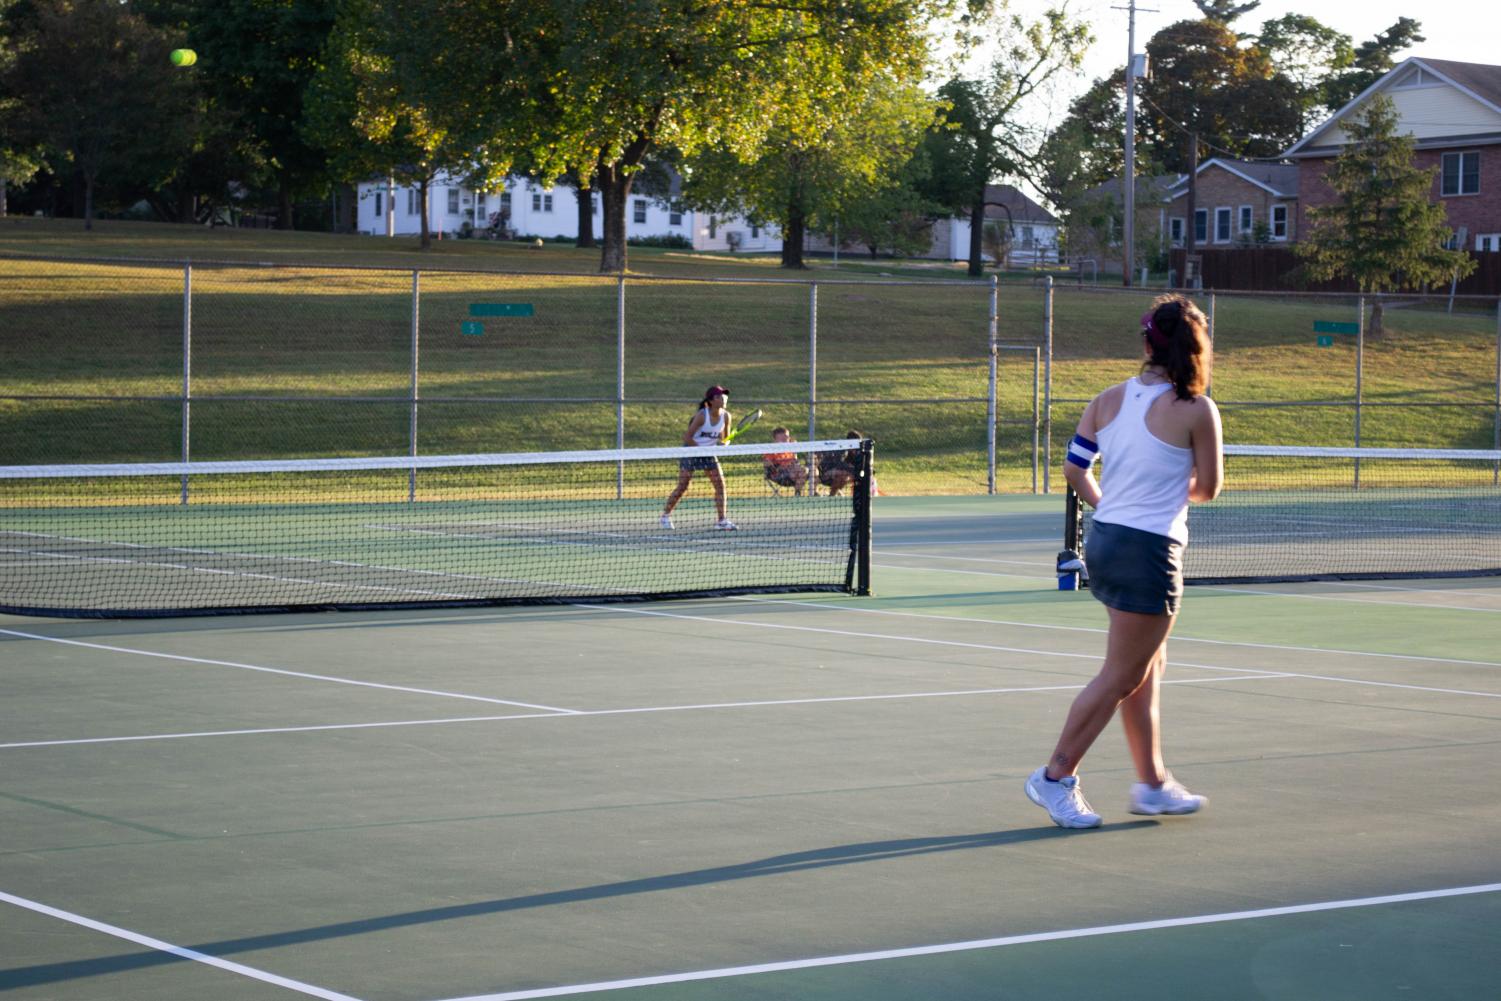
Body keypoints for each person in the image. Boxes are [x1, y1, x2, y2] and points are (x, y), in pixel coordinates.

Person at [1024, 294, 1223, 829]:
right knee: (1121, 674)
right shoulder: (1197, 409)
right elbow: (1208, 487)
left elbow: (1074, 469)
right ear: (1196, 349)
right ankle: (1055, 776)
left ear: (1147, 344)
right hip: (1148, 549)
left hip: (1106, 538)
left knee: (1145, 666)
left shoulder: (1107, 399)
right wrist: (1154, 489)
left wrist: (1112, 501)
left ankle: (1153, 783)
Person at [661, 385, 737, 530]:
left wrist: (725, 444)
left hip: (709, 454)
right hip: (691, 451)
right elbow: (687, 437)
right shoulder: (702, 416)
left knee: (720, 485)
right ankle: (665, 515)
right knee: (683, 486)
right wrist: (700, 450)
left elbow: (725, 438)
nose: (723, 398)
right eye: (719, 396)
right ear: (711, 400)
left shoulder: (726, 416)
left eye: (724, 396)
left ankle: (722, 521)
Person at [762, 427, 809, 495]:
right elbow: (767, 464)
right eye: (782, 439)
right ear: (775, 439)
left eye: (787, 437)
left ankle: (797, 493)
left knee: (807, 470)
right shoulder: (770, 450)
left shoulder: (790, 447)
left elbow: (795, 462)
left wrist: (795, 451)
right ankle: (798, 491)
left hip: (794, 473)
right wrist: (778, 468)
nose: (786, 440)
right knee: (802, 471)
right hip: (779, 475)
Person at [817, 430, 864, 496]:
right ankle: (832, 494)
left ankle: (833, 495)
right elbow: (839, 466)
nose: (858, 447)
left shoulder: (856, 453)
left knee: (846, 476)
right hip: (825, 473)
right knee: (844, 474)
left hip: (836, 474)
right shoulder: (841, 450)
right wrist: (854, 470)